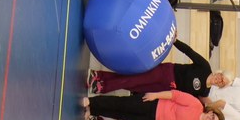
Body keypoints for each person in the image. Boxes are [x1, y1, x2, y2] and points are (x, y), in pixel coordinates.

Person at [89, 38, 227, 96]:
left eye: (222, 83)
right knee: (135, 79)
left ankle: (100, 76)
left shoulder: (204, 92)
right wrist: (175, 41)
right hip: (167, 72)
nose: (219, 80)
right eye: (221, 77)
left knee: (135, 86)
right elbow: (189, 52)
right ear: (219, 73)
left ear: (220, 86)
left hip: (166, 88)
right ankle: (102, 87)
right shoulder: (205, 67)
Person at [83, 90, 225, 120]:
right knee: (122, 104)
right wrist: (155, 95)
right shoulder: (196, 105)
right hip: (154, 105)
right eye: (213, 116)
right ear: (211, 112)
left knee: (122, 116)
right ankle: (91, 101)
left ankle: (94, 110)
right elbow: (174, 95)